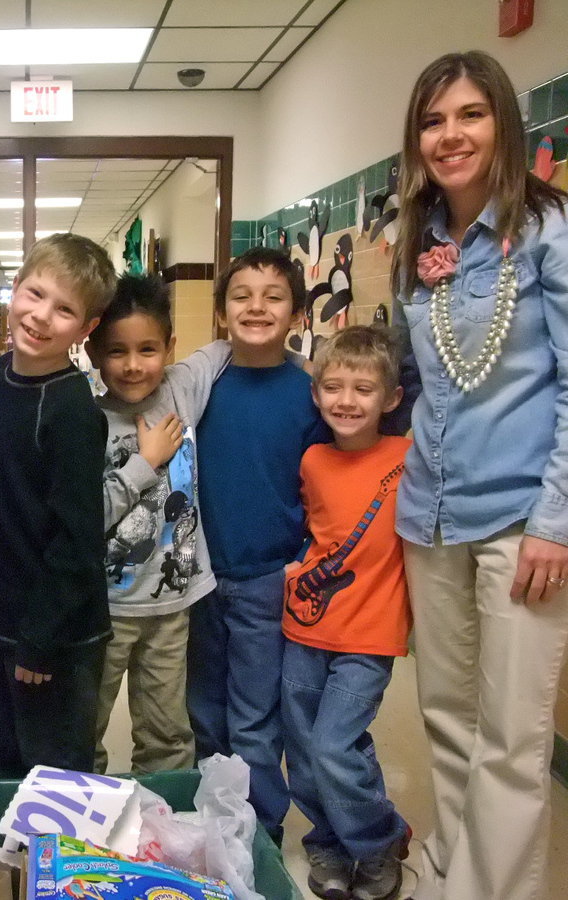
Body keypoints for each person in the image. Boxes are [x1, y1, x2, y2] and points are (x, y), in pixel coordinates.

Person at [391, 51, 568, 900]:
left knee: (510, 737)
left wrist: (556, 521)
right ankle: (451, 874)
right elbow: (423, 384)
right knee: (446, 721)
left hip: (521, 524)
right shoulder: (419, 243)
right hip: (428, 517)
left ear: (503, 121)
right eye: (433, 120)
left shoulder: (549, 232)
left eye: (469, 114)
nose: (450, 135)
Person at [187, 246, 330, 844]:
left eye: (274, 296)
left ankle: (260, 825)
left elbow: (324, 486)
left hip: (270, 576)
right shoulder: (202, 385)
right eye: (242, 295)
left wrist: (303, 559)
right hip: (198, 577)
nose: (256, 307)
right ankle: (210, 811)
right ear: (221, 313)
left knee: (254, 712)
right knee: (203, 707)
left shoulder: (309, 393)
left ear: (297, 314)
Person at [0, 232, 117, 778]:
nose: (41, 316)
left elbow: (76, 542)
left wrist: (42, 642)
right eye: (33, 293)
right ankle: (3, 866)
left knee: (52, 775)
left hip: (55, 635)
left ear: (86, 328)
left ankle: (52, 867)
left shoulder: (73, 409)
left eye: (65, 309)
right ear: (14, 289)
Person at [280, 326, 411, 900]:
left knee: (335, 744)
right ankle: (327, 845)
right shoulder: (312, 459)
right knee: (306, 752)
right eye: (332, 386)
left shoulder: (408, 458)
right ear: (316, 394)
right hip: (305, 627)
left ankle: (379, 840)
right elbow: (312, 528)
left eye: (363, 389)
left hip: (371, 634)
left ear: (391, 398)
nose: (346, 400)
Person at [84, 273, 230, 775]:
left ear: (169, 347)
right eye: (117, 351)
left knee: (168, 733)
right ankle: (83, 822)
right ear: (94, 349)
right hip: (105, 608)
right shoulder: (88, 419)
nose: (132, 365)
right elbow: (86, 515)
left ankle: (160, 829)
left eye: (147, 349)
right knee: (84, 725)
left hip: (173, 606)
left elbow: (229, 345)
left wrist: (313, 367)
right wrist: (143, 464)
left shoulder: (182, 388)